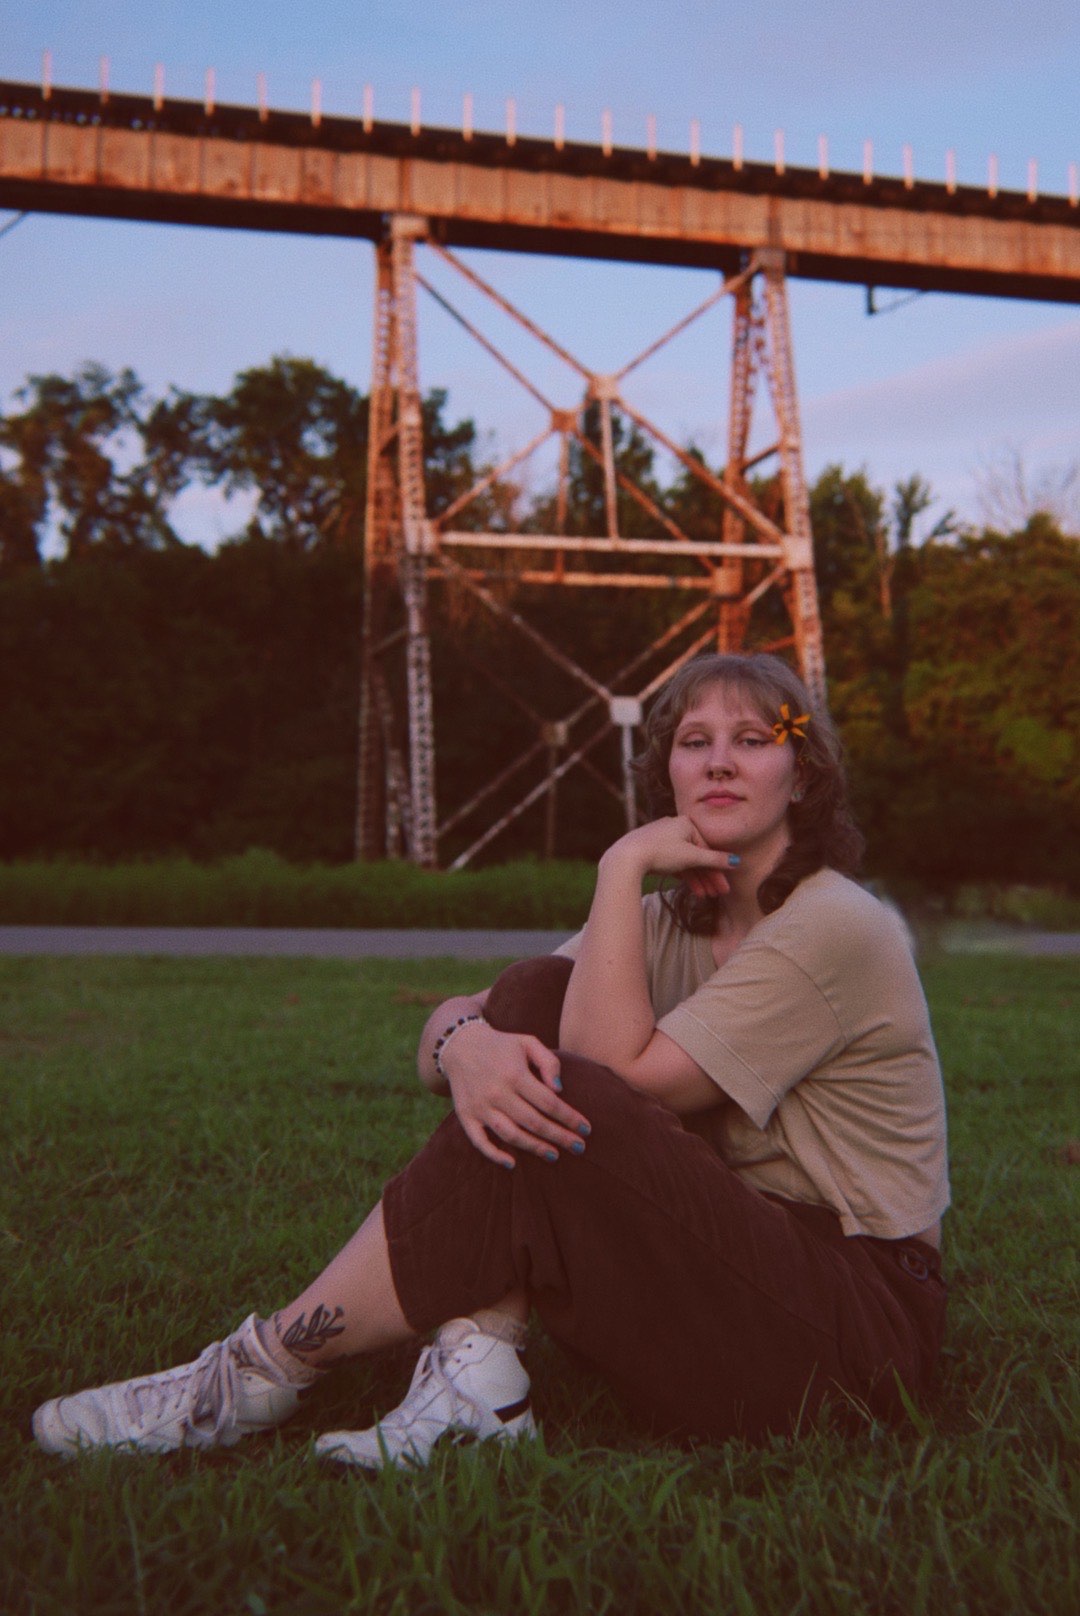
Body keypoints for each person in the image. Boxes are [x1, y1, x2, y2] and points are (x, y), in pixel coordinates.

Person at [32, 652, 949, 1467]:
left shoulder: (835, 924)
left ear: (803, 776)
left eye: (752, 740)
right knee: (528, 997)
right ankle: (477, 1370)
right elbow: (463, 1025)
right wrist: (468, 1047)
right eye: (694, 739)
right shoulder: (670, 924)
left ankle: (258, 1371)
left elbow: (604, 1077)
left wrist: (620, 864)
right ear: (666, 767)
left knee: (563, 1072)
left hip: (852, 1330)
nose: (716, 760)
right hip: (721, 1266)